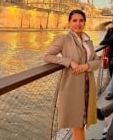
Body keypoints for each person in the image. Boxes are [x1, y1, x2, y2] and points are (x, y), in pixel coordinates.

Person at [44, 9, 101, 140]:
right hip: (73, 86)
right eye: (74, 20)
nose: (78, 23)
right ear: (69, 23)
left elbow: (97, 62)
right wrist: (69, 62)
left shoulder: (88, 40)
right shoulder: (63, 39)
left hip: (88, 85)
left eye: (81, 20)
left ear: (85, 23)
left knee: (82, 122)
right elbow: (47, 56)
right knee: (78, 123)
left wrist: (87, 66)